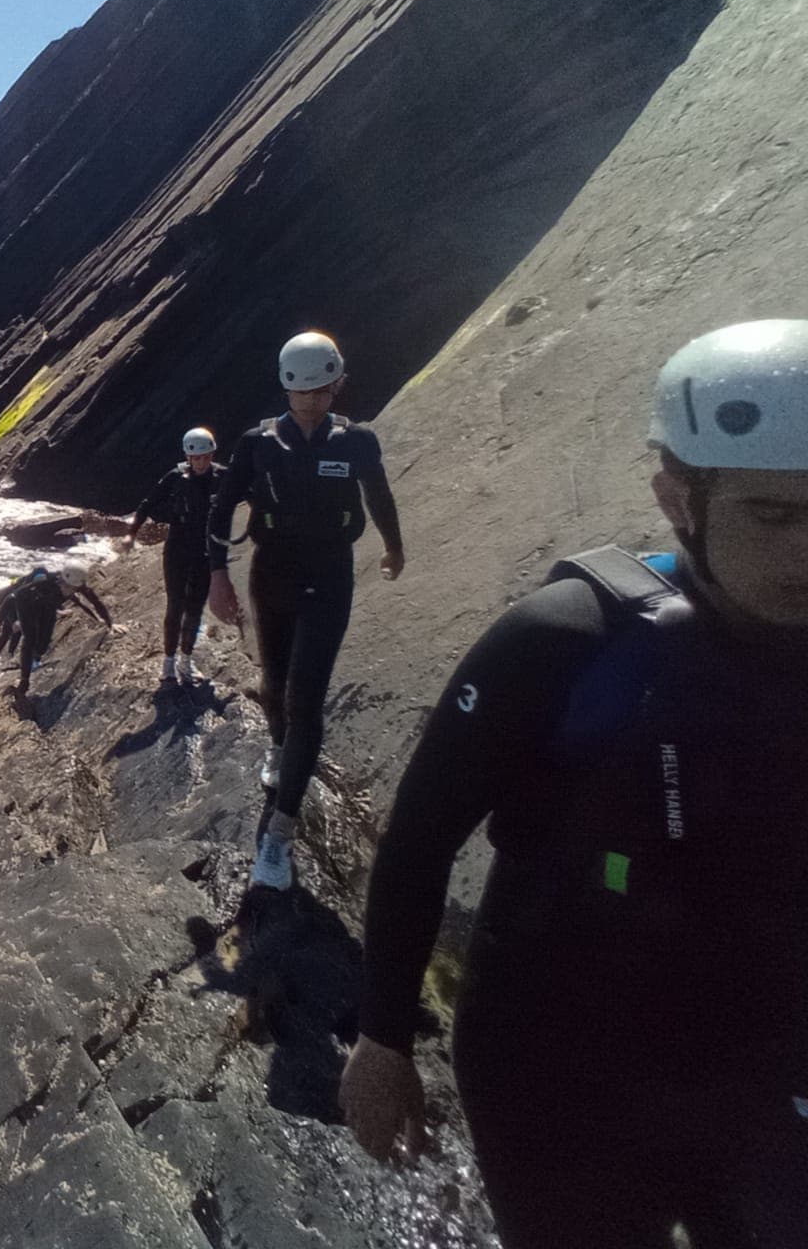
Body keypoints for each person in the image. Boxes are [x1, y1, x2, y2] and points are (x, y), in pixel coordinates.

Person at [339, 320, 808, 1248]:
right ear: (676, 496)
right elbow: (421, 836)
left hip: (756, 1057)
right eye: (772, 516)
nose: (806, 553)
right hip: (556, 1061)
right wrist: (383, 1037)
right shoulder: (565, 642)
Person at [206, 331, 405, 890]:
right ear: (286, 390)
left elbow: (379, 496)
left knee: (306, 699)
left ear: (338, 383)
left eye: (322, 390)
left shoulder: (357, 441)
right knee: (273, 685)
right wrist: (217, 576)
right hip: (270, 575)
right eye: (302, 394)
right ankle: (277, 747)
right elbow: (221, 509)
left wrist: (394, 545)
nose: (312, 403)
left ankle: (279, 836)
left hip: (329, 576)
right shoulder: (257, 443)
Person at [124, 426, 226, 684]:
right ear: (188, 457)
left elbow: (249, 493)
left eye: (207, 456)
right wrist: (131, 533)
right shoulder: (175, 477)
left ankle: (186, 660)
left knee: (195, 608)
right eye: (197, 457)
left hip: (205, 552)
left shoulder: (222, 477)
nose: (202, 462)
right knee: (175, 606)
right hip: (178, 549)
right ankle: (168, 662)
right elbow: (148, 504)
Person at [0, 564, 114, 696]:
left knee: (44, 641)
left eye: (71, 588)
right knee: (30, 638)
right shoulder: (46, 582)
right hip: (26, 603)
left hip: (48, 605)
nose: (67, 590)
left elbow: (95, 603)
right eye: (65, 586)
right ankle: (24, 681)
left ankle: (35, 657)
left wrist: (109, 624)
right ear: (61, 580)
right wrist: (1, 621)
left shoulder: (79, 587)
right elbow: (16, 596)